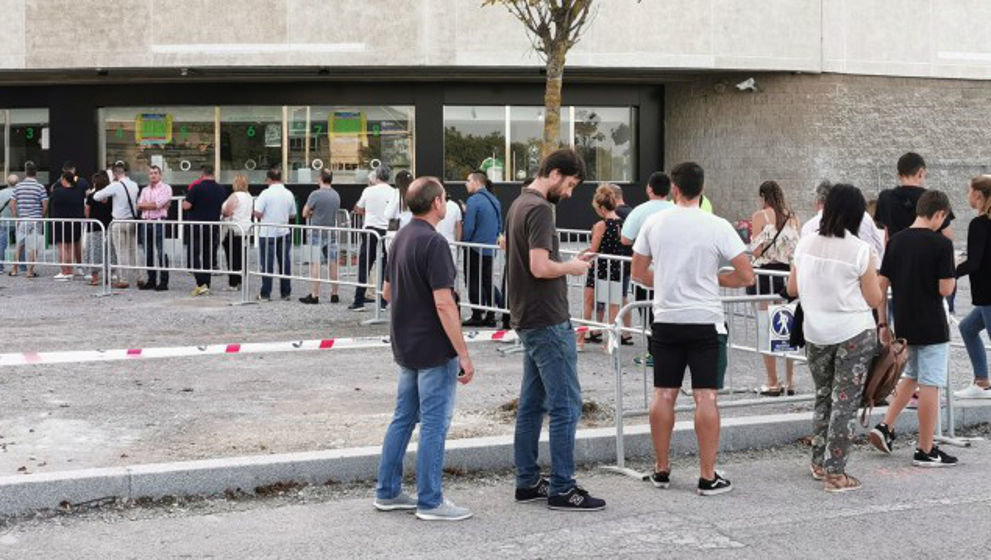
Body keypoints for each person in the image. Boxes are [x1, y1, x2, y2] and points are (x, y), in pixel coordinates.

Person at [631, 161, 754, 496]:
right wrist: (714, 278)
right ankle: (707, 475)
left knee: (664, 393)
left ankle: (661, 469)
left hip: (666, 318)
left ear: (674, 188)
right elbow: (746, 275)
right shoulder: (717, 225)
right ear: (702, 189)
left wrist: (669, 280)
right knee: (706, 396)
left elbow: (638, 272)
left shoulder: (655, 222)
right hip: (705, 321)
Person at [506, 148, 606, 511]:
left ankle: (528, 481)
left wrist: (565, 263)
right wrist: (572, 268)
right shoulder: (539, 210)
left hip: (528, 317)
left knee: (532, 405)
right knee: (566, 405)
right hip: (547, 319)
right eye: (571, 184)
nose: (569, 193)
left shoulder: (519, 204)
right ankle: (563, 488)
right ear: (557, 173)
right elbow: (538, 266)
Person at [374, 176, 475, 522]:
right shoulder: (435, 244)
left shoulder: (399, 238)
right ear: (436, 203)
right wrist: (463, 352)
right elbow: (444, 304)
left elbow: (387, 293)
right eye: (445, 197)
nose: (446, 202)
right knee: (434, 424)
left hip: (405, 344)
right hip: (434, 347)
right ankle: (430, 500)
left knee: (402, 419)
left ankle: (387, 491)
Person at [788, 184, 883, 492]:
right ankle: (836, 473)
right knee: (845, 402)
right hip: (852, 332)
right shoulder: (859, 249)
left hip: (815, 331)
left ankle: (818, 463)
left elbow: (792, 288)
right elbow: (873, 298)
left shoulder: (805, 243)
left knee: (823, 396)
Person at [870, 190, 959, 467]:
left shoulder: (896, 241)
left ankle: (885, 426)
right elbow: (945, 288)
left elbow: (881, 285)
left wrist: (883, 322)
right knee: (931, 383)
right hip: (932, 323)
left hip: (904, 322)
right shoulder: (941, 245)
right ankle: (926, 448)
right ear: (940, 214)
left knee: (912, 375)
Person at [749, 180, 801, 396]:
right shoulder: (794, 217)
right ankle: (790, 380)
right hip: (787, 276)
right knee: (787, 327)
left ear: (763, 196)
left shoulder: (760, 217)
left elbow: (757, 251)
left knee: (765, 325)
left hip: (765, 275)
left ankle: (772, 380)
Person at [621, 172, 674, 365]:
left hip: (646, 271)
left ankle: (654, 352)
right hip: (672, 271)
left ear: (649, 188)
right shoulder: (676, 209)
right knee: (670, 311)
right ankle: (672, 351)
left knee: (648, 312)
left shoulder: (640, 211)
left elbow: (625, 239)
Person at [580, 184, 632, 347]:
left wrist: (580, 257)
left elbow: (594, 250)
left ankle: (581, 339)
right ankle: (611, 342)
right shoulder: (623, 223)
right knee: (614, 306)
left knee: (589, 302)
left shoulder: (601, 225)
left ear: (602, 207)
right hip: (617, 268)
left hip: (599, 269)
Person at [953, 176, 991, 398]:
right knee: (967, 328)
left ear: (978, 195)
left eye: (969, 191)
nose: (968, 195)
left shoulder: (978, 224)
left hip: (987, 292)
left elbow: (975, 263)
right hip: (986, 294)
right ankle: (982, 381)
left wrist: (950, 272)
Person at [876, 152, 954, 243]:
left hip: (897, 252)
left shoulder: (884, 197)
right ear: (921, 173)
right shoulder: (935, 199)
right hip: (928, 253)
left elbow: (883, 232)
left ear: (899, 175)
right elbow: (947, 235)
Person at [801, 180, 885, 263]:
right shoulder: (865, 216)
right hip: (869, 264)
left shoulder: (808, 226)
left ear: (818, 201)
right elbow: (879, 244)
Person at [462, 170, 504, 327]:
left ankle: (477, 314)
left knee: (473, 280)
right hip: (489, 248)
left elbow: (469, 227)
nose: (466, 184)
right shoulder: (494, 200)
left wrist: (463, 242)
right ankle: (491, 315)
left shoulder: (474, 201)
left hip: (474, 247)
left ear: (477, 182)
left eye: (468, 180)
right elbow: (500, 225)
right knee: (487, 281)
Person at [349, 165, 393, 311]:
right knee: (385, 266)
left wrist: (364, 210)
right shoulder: (393, 192)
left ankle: (359, 300)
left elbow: (359, 207)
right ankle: (383, 301)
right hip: (386, 232)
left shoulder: (368, 191)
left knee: (364, 265)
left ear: (377, 176)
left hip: (370, 230)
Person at [253, 167, 297, 301]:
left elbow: (258, 213)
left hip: (268, 232)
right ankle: (286, 292)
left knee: (267, 264)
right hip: (284, 232)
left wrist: (255, 213)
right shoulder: (289, 193)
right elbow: (293, 214)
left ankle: (266, 293)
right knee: (285, 263)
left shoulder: (265, 193)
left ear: (269, 179)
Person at [93, 162, 140, 288]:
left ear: (114, 174)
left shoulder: (115, 185)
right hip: (132, 220)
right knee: (133, 250)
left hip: (118, 221)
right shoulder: (134, 185)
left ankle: (123, 279)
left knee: (121, 252)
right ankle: (140, 276)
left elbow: (97, 196)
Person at [182, 165, 226, 296]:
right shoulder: (221, 189)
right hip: (213, 226)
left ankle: (200, 283)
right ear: (213, 174)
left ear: (202, 174)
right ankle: (207, 283)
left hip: (196, 225)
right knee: (208, 255)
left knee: (194, 254)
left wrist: (185, 201)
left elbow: (186, 206)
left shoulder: (197, 188)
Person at [299, 169, 341, 305]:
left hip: (316, 232)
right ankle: (335, 294)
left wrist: (312, 213)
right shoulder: (336, 195)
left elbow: (304, 213)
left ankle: (314, 295)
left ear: (320, 178)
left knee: (314, 264)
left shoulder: (315, 194)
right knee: (333, 263)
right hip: (331, 232)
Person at [10, 162, 50, 279]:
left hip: (23, 220)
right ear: (36, 173)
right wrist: (41, 217)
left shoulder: (18, 186)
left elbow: (12, 204)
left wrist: (16, 218)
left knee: (19, 246)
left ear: (25, 173)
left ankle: (14, 269)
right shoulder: (40, 187)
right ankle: (29, 271)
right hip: (36, 220)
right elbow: (45, 205)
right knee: (34, 246)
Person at [136, 165, 172, 291]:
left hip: (159, 222)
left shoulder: (166, 188)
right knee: (148, 253)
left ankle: (163, 281)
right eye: (151, 173)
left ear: (160, 175)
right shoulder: (145, 190)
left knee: (161, 252)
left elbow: (157, 205)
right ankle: (151, 280)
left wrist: (144, 205)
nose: (153, 175)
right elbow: (138, 205)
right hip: (145, 222)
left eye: (155, 173)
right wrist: (147, 205)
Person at [48, 171, 86, 280]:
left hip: (61, 222)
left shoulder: (57, 192)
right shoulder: (78, 192)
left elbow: (52, 203)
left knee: (62, 248)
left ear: (64, 180)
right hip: (75, 223)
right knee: (71, 247)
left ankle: (64, 271)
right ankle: (70, 270)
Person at [220, 174, 253, 291]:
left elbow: (228, 212)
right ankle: (239, 280)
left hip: (233, 228)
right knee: (241, 255)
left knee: (232, 256)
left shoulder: (235, 196)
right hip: (245, 228)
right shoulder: (249, 196)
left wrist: (222, 212)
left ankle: (233, 283)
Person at [85, 172, 113, 286]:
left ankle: (95, 278)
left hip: (94, 227)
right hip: (108, 227)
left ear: (95, 183)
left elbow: (87, 211)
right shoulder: (110, 197)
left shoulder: (91, 197)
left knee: (94, 253)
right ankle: (108, 277)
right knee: (108, 252)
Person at [436, 193, 463, 264]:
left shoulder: (432, 205)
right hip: (451, 245)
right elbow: (459, 227)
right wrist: (458, 244)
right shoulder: (455, 206)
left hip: (436, 244)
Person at [0, 174, 17, 274]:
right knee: (20, 245)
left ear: (7, 182)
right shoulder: (19, 193)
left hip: (4, 221)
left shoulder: (1, 193)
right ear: (17, 183)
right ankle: (22, 267)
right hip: (17, 222)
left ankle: (0, 267)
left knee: (1, 245)